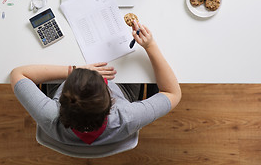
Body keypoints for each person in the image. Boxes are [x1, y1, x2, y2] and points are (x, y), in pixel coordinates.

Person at [10, 20, 181, 158]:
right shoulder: (127, 117)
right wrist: (150, 46)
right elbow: (173, 92)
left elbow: (18, 74)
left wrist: (72, 70)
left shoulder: (49, 116)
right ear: (111, 101)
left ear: (60, 102)